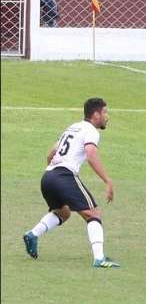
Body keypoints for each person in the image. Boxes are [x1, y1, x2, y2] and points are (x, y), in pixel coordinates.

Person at [22, 98, 120, 268]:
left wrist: (54, 170)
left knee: (63, 213)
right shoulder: (91, 131)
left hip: (48, 176)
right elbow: (91, 155)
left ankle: (33, 234)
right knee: (94, 214)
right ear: (96, 114)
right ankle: (99, 259)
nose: (107, 116)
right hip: (63, 176)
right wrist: (107, 180)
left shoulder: (73, 127)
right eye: (105, 112)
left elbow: (52, 152)